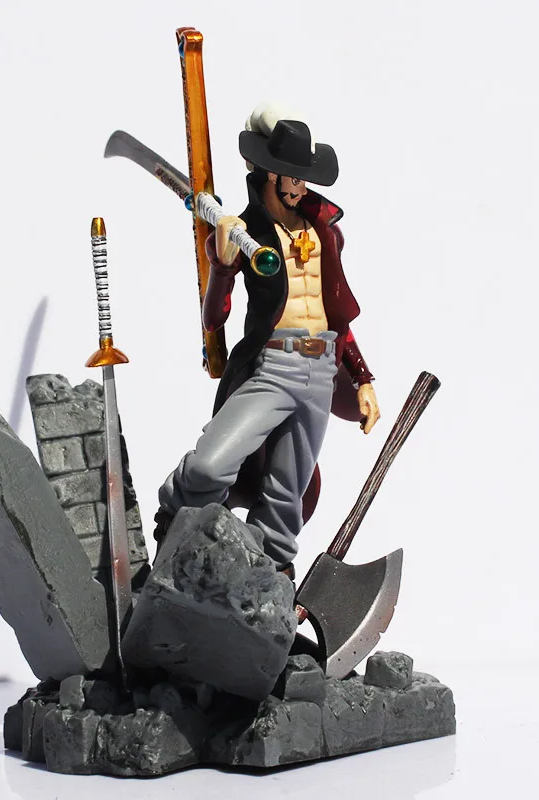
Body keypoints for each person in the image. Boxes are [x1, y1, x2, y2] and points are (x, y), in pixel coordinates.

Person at [156, 107, 380, 572]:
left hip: (321, 372)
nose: (301, 188)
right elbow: (214, 319)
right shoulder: (244, 233)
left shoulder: (325, 232)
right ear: (268, 173)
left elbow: (336, 314)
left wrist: (361, 377)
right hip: (274, 366)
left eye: (305, 178)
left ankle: (268, 584)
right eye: (293, 177)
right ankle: (174, 534)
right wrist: (222, 261)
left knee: (286, 500)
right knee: (208, 467)